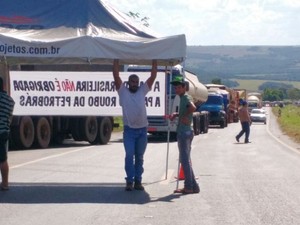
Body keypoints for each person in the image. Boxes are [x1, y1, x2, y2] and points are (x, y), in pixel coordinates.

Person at [113, 59, 157, 191]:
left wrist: (154, 60)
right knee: (129, 155)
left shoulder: (142, 90)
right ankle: (129, 181)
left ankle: (138, 181)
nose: (134, 84)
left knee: (139, 157)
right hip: (129, 131)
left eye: (136, 82)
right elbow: (116, 75)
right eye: (132, 82)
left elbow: (153, 76)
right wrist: (116, 59)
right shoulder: (123, 91)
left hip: (142, 130)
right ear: (128, 83)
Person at [169, 76, 200, 194]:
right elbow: (186, 109)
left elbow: (192, 107)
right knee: (185, 159)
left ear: (184, 87)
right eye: (175, 88)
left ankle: (188, 187)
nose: (176, 90)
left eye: (178, 87)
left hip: (184, 132)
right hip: (186, 131)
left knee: (184, 160)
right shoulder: (182, 98)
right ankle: (194, 186)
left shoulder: (186, 97)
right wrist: (177, 114)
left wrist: (185, 116)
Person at [0, 77, 15, 191]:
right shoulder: (10, 101)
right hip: (3, 132)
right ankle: (5, 184)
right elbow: (9, 117)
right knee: (3, 159)